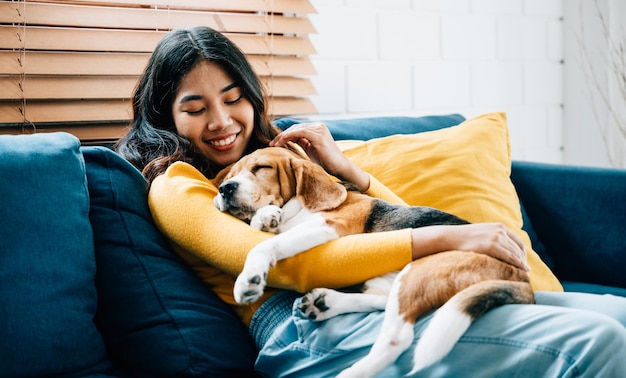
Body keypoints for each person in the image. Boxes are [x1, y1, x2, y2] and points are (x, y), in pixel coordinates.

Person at [116, 26, 626, 377]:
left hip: (377, 295)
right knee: (600, 342)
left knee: (616, 316)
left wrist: (346, 172)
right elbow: (294, 269)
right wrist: (451, 235)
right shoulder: (177, 185)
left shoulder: (283, 165)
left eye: (232, 98)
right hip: (305, 327)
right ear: (164, 116)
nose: (222, 121)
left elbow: (380, 222)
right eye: (195, 107)